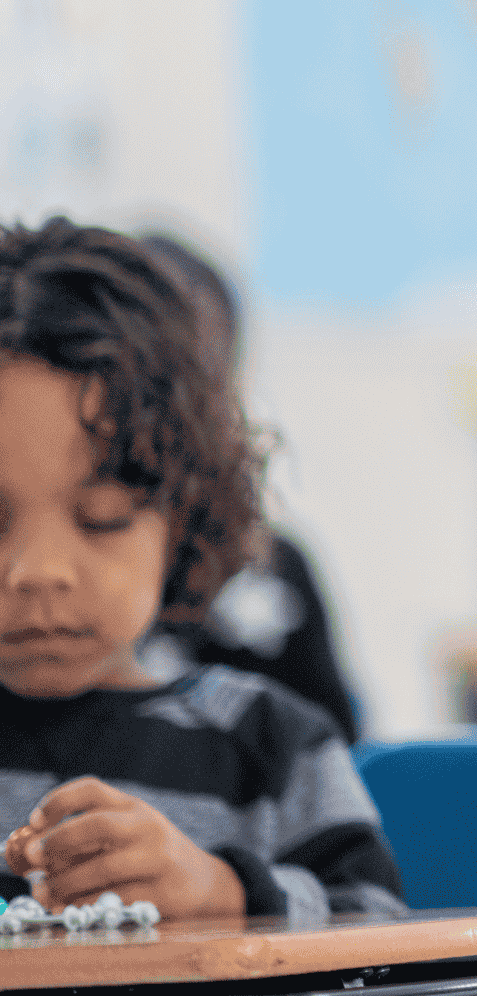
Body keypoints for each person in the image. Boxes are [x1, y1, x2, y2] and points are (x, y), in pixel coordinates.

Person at [0, 219, 403, 922]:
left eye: (103, 517)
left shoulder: (269, 748)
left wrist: (227, 893)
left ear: (183, 516)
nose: (37, 572)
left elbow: (380, 930)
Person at [137, 232, 364, 743]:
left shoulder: (277, 570)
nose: (175, 409)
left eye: (204, 374)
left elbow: (342, 759)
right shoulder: (56, 582)